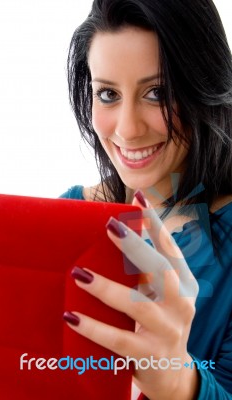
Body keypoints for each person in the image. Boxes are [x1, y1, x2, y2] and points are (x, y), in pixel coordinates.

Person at [60, 0, 232, 398]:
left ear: (204, 89)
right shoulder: (73, 212)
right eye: (107, 94)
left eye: (156, 92)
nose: (128, 129)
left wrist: (177, 382)